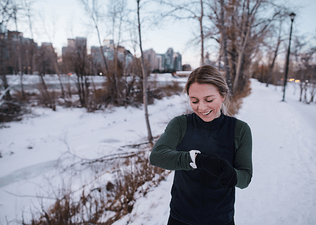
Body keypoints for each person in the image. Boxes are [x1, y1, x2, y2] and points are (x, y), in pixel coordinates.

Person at [150, 65, 252, 225]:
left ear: (223, 95)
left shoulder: (239, 130)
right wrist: (197, 160)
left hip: (221, 219)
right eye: (194, 101)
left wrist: (232, 175)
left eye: (209, 100)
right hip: (180, 218)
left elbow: (245, 178)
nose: (202, 107)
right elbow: (157, 156)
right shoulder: (180, 124)